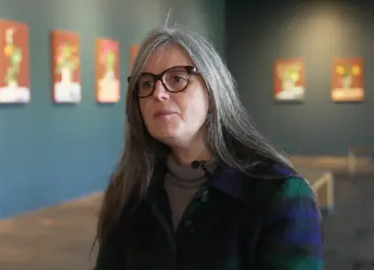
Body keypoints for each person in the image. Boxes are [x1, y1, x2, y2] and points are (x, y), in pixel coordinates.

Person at [93, 20, 323, 270]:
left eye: (177, 79)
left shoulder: (279, 194)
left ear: (213, 91)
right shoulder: (130, 190)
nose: (158, 93)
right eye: (147, 83)